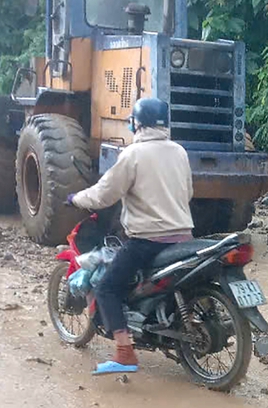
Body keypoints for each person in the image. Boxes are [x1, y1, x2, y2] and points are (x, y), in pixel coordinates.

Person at [68, 97, 194, 375]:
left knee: (107, 288)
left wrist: (76, 198)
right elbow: (188, 193)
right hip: (183, 237)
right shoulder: (179, 151)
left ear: (137, 123)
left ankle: (124, 352)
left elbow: (104, 194)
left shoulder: (133, 154)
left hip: (146, 241)